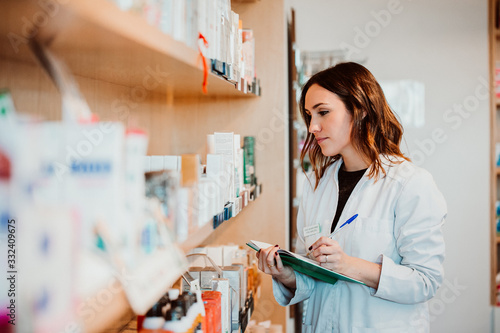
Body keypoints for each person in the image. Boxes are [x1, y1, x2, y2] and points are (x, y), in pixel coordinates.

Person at [256, 62, 447, 332]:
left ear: (360, 110)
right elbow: (318, 274)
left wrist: (349, 265)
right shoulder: (316, 184)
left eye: (323, 113)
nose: (313, 127)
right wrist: (287, 274)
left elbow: (425, 281)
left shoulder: (409, 184)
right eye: (309, 116)